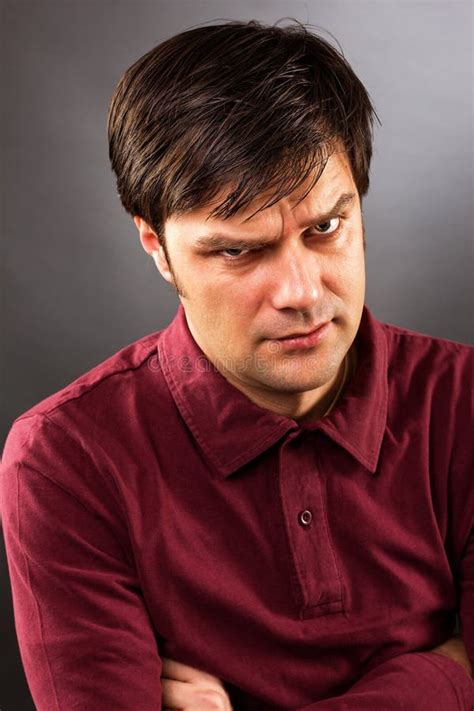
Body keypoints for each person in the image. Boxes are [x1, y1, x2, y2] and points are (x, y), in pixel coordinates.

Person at [1, 18, 473, 711]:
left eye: (327, 228)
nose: (302, 292)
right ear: (156, 245)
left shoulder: (463, 401)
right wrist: (450, 673)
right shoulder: (64, 462)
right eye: (239, 250)